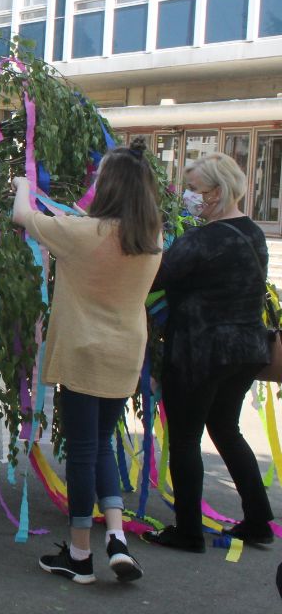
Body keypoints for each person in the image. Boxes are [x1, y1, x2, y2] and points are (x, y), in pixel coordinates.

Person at [11, 137, 162, 584]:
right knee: (100, 442)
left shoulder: (82, 233)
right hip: (124, 355)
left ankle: (79, 555)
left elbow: (23, 216)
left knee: (81, 450)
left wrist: (23, 185)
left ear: (109, 186)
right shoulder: (151, 240)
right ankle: (116, 538)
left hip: (83, 354)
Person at [143, 152, 275, 552]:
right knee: (226, 428)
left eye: (194, 189)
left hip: (199, 352)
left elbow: (153, 278)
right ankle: (258, 520)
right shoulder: (253, 233)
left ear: (216, 193)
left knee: (185, 437)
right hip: (247, 350)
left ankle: (188, 532)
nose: (188, 196)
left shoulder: (201, 240)